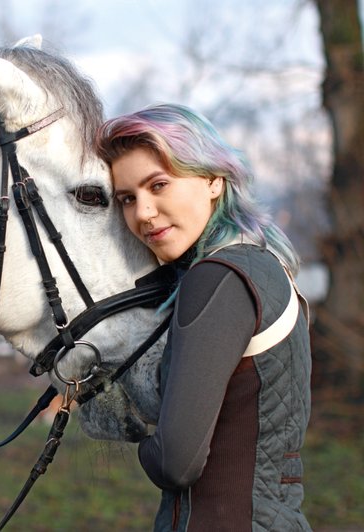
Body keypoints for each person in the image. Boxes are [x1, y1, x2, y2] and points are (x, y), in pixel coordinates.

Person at [94, 103, 312, 531]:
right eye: (127, 199)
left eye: (159, 185)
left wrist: (132, 429)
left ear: (213, 179)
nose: (143, 213)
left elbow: (176, 462)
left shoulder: (216, 278)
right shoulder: (265, 267)